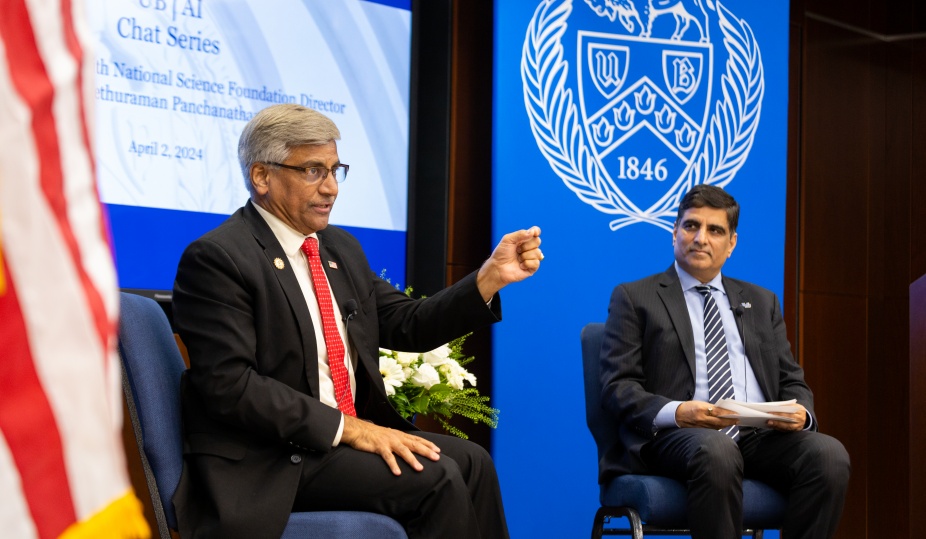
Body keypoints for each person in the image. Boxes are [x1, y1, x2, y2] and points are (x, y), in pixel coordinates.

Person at [171, 103, 542, 539]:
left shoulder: (337, 249)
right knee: (435, 481)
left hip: (331, 447)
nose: (330, 188)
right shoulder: (219, 258)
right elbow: (231, 387)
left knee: (473, 462)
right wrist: (350, 429)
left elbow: (408, 323)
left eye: (335, 170)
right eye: (313, 171)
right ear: (262, 176)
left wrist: (486, 279)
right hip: (272, 459)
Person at [598, 185, 850, 539]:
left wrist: (801, 414)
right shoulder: (635, 297)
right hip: (677, 435)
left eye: (715, 230)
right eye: (691, 226)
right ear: (674, 233)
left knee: (829, 455)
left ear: (731, 244)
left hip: (758, 436)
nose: (700, 238)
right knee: (717, 449)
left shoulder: (761, 302)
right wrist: (680, 411)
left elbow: (792, 380)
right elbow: (617, 387)